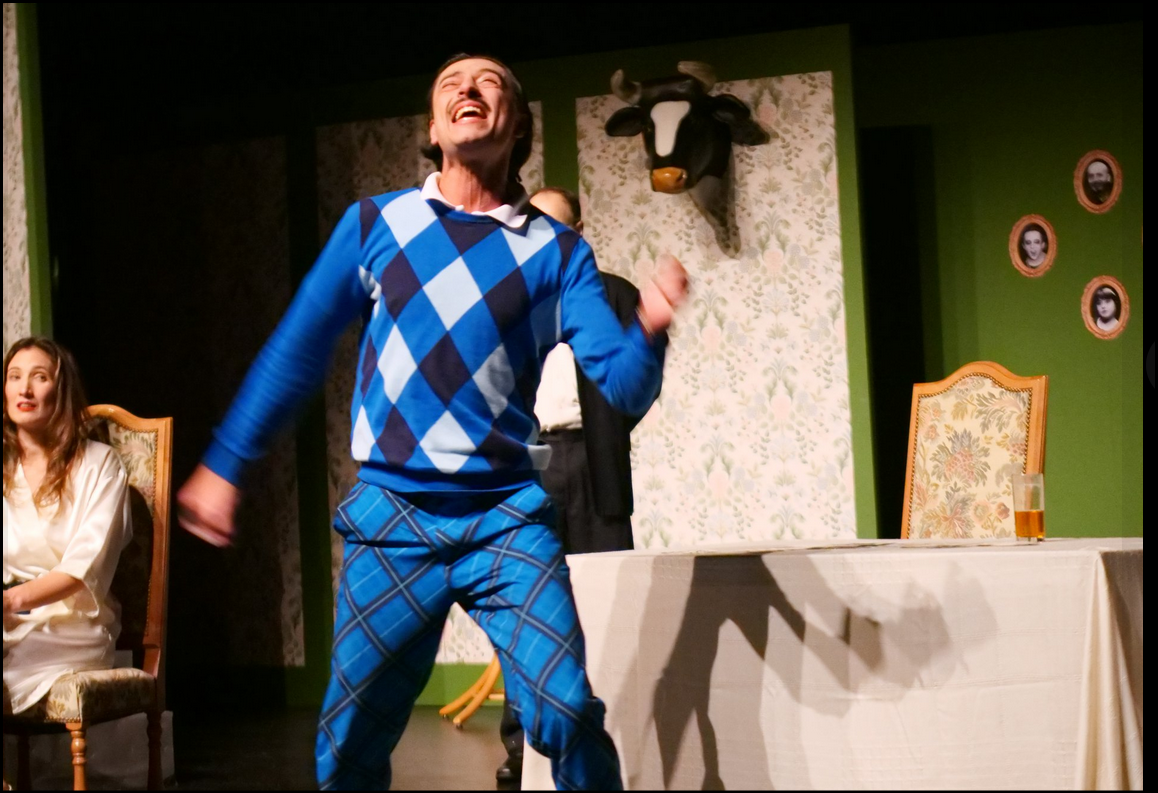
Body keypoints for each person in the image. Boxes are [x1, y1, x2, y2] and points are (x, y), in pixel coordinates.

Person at [176, 53, 689, 791]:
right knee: (348, 745)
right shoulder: (376, 224)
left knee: (567, 709)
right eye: (451, 84)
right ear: (434, 127)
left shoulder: (557, 253)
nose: (468, 88)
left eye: (489, 82)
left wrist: (649, 328)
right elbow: (297, 347)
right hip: (394, 520)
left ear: (519, 126)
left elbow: (624, 386)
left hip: (506, 523)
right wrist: (226, 462)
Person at [494, 187, 663, 788]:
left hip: (592, 462)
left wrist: (605, 435)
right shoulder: (508, 297)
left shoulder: (611, 294)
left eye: (553, 224)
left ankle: (609, 744)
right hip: (526, 464)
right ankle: (520, 750)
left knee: (607, 603)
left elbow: (635, 385)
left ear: (579, 230)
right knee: (520, 608)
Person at [3, 337, 132, 718]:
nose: (24, 389)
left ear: (61, 390)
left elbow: (82, 567)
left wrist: (11, 601)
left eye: (39, 377)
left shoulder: (99, 464)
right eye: (14, 376)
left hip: (73, 625)